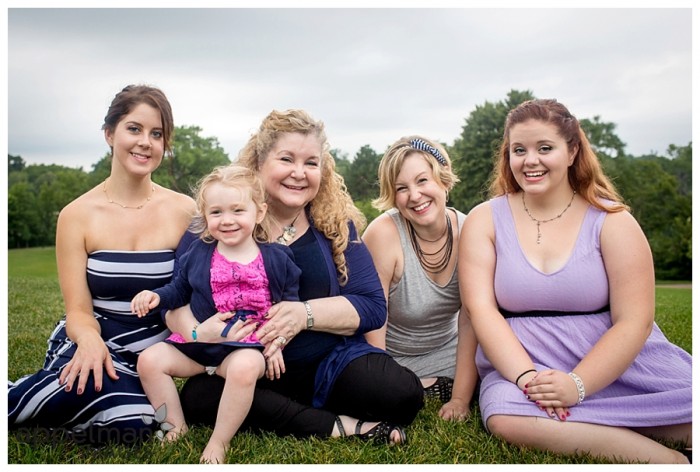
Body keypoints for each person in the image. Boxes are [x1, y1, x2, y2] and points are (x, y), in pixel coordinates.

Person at [166, 109, 424, 446]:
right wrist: (199, 333)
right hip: (245, 366)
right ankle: (336, 425)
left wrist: (303, 314)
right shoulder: (217, 224)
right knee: (199, 399)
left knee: (401, 394)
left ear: (323, 169)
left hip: (327, 363)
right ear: (258, 163)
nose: (299, 174)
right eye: (286, 159)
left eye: (311, 163)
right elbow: (172, 301)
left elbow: (372, 306)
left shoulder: (335, 224)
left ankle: (297, 413)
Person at [459, 98, 692, 464]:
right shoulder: (484, 219)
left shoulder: (611, 220)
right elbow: (481, 310)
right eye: (518, 150)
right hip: (525, 364)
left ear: (572, 152)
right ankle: (669, 462)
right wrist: (527, 380)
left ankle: (625, 418)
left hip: (618, 364)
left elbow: (636, 321)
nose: (529, 160)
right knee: (505, 416)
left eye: (544, 148)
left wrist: (577, 385)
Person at [7, 84, 197, 444]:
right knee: (132, 417)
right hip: (95, 336)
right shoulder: (76, 215)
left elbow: (194, 291)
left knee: (139, 420)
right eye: (134, 129)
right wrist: (90, 341)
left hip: (155, 353)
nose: (146, 142)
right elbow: (78, 310)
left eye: (157, 134)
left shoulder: (185, 211)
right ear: (110, 134)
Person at [131, 165, 301, 463]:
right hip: (198, 347)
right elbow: (178, 291)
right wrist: (156, 296)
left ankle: (219, 441)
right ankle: (175, 427)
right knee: (149, 360)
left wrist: (277, 344)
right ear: (205, 216)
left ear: (258, 213)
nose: (227, 220)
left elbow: (287, 307)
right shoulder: (197, 254)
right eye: (217, 212)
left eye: (238, 210)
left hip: (244, 348)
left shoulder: (276, 258)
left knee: (245, 367)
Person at [362, 136, 478, 421]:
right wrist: (383, 381)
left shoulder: (470, 231)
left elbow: (470, 318)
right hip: (388, 353)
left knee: (491, 370)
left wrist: (460, 398)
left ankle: (440, 383)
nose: (414, 195)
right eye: (402, 188)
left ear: (443, 181)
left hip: (448, 351)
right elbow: (374, 316)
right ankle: (421, 385)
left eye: (422, 181)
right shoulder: (383, 234)